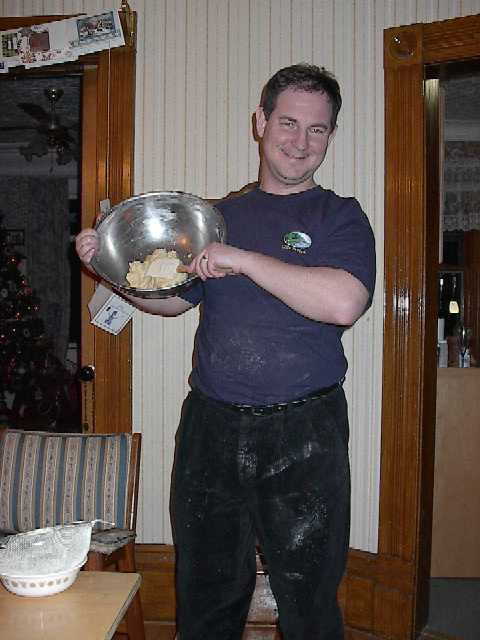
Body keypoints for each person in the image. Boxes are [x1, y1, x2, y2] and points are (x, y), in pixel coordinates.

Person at [76, 63, 376, 640]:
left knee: (309, 598)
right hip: (210, 428)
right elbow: (171, 302)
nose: (300, 141)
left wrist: (242, 259)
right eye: (287, 122)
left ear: (330, 137)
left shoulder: (340, 215)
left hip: (305, 430)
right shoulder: (216, 217)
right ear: (260, 123)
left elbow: (344, 303)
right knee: (207, 593)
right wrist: (108, 271)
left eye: (317, 130)